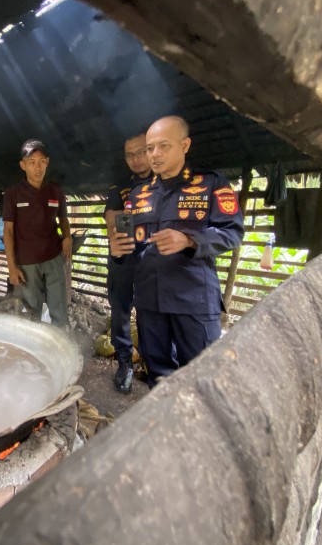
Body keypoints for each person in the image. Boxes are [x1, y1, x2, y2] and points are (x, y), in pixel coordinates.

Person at [109, 116, 244, 388]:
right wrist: (118, 251)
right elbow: (133, 248)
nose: (154, 154)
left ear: (185, 145)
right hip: (150, 302)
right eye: (150, 148)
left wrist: (189, 239)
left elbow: (232, 233)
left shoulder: (210, 184)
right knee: (158, 378)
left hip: (193, 300)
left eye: (163, 146)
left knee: (201, 379)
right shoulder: (137, 194)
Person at [3, 139, 72, 327]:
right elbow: (8, 230)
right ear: (23, 165)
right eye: (31, 162)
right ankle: (37, 350)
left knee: (59, 310)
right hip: (27, 263)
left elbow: (63, 219)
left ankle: (59, 349)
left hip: (53, 257)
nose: (37, 167)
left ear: (47, 162)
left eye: (41, 161)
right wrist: (11, 267)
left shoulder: (55, 190)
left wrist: (67, 237)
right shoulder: (13, 193)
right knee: (33, 312)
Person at [104, 133, 153, 393]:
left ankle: (150, 362)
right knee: (120, 311)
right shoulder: (121, 184)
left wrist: (132, 215)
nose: (135, 159)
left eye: (141, 152)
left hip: (155, 259)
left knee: (150, 311)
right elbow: (112, 216)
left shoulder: (163, 180)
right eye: (130, 154)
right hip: (124, 254)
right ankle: (125, 363)